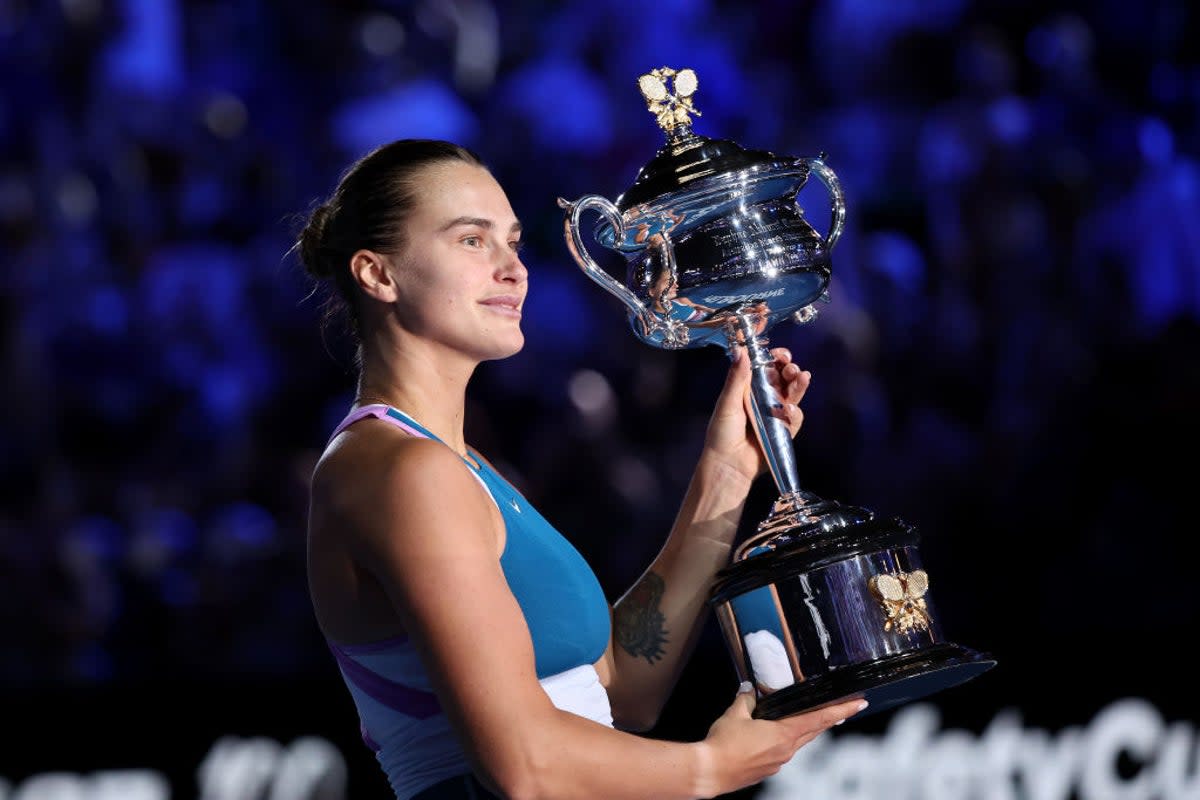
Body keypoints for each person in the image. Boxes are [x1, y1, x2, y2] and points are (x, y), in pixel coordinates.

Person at [294, 138, 867, 800]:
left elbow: (620, 686)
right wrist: (714, 767)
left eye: (513, 242)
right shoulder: (400, 470)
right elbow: (525, 765)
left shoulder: (459, 465)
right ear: (379, 274)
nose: (514, 270)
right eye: (473, 241)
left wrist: (727, 470)